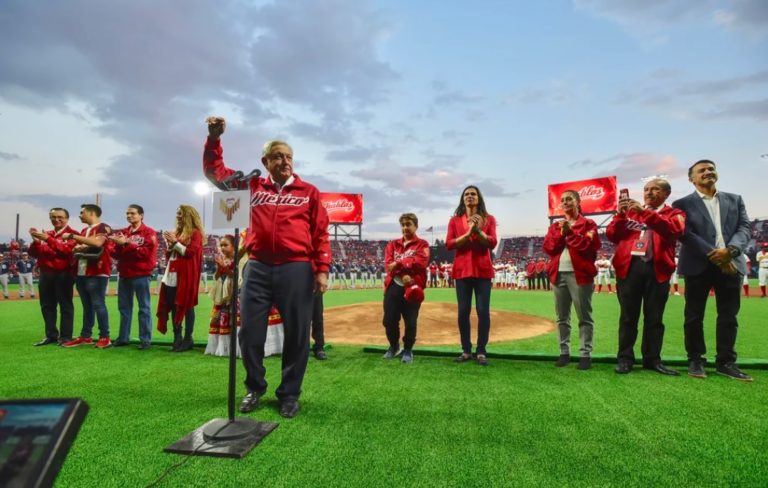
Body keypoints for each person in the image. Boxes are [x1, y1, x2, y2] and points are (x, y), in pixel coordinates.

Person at [203, 116, 330, 418]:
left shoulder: (308, 191)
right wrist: (214, 139)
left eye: (289, 157)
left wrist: (322, 269)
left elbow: (320, 233)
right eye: (278, 156)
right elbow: (214, 172)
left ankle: (289, 394)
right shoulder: (251, 185)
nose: (285, 162)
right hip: (258, 267)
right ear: (265, 161)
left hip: (297, 267)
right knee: (249, 332)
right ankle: (254, 387)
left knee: (298, 334)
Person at [672, 160, 753, 381]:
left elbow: (745, 227)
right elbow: (685, 234)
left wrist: (731, 250)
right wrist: (718, 256)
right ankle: (695, 359)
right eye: (702, 170)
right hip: (699, 265)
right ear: (691, 179)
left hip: (731, 262)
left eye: (711, 168)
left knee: (729, 316)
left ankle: (726, 362)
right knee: (693, 316)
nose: (708, 172)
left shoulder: (735, 199)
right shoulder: (681, 204)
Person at [606, 178, 685, 376]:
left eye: (655, 189)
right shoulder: (629, 213)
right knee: (628, 317)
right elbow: (612, 235)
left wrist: (645, 213)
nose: (649, 192)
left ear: (666, 194)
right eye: (646, 189)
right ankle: (625, 359)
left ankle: (652, 360)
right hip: (629, 268)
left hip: (657, 269)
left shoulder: (675, 213)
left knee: (654, 318)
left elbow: (673, 231)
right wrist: (620, 215)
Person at [543, 190, 601, 370]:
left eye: (569, 199)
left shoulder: (589, 224)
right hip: (558, 274)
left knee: (584, 316)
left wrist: (570, 234)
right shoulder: (555, 226)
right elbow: (549, 248)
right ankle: (564, 352)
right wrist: (562, 233)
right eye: (562, 200)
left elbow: (589, 248)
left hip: (580, 275)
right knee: (562, 317)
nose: (565, 202)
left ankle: (585, 354)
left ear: (578, 202)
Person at [446, 186, 497, 366]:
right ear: (463, 199)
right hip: (462, 271)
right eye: (466, 194)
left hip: (482, 270)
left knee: (483, 311)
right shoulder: (455, 220)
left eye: (473, 194)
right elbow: (449, 244)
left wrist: (478, 231)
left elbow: (492, 242)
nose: (469, 196)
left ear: (479, 198)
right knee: (463, 311)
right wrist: (469, 233)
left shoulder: (489, 219)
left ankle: (481, 351)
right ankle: (466, 350)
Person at [61, 204, 114, 349]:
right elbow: (86, 246)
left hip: (97, 272)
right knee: (87, 306)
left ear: (91, 213)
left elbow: (97, 242)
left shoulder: (103, 227)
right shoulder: (85, 230)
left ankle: (105, 337)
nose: (80, 215)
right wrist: (78, 247)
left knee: (98, 304)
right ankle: (86, 336)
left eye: (82, 212)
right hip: (82, 271)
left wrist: (72, 236)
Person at [109, 204, 158, 350]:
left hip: (141, 275)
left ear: (141, 215)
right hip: (124, 274)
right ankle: (123, 338)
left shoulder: (149, 232)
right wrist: (116, 245)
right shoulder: (123, 232)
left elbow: (146, 254)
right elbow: (116, 254)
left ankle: (145, 340)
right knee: (124, 308)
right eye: (127, 213)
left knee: (144, 308)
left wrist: (126, 244)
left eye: (132, 213)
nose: (129, 216)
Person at [382, 213, 429, 363]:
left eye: (408, 224)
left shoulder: (422, 244)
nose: (405, 227)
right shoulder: (392, 244)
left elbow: (421, 263)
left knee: (411, 321)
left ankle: (408, 349)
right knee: (389, 320)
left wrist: (399, 263)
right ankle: (394, 346)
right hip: (393, 286)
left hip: (413, 286)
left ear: (416, 226)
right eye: (402, 225)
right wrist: (404, 272)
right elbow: (388, 265)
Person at [156, 205, 204, 352]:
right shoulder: (177, 232)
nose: (177, 216)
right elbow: (170, 255)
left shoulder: (195, 233)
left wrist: (175, 242)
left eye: (180, 213)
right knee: (172, 306)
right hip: (171, 275)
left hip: (186, 276)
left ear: (188, 215)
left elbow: (190, 253)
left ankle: (188, 339)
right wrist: (170, 245)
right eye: (177, 213)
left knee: (187, 307)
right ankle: (177, 338)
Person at [29, 208, 78, 346]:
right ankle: (51, 335)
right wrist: (36, 242)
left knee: (65, 306)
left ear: (67, 218)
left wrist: (48, 240)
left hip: (64, 274)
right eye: (53, 217)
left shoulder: (73, 234)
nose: (56, 219)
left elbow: (67, 251)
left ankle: (66, 336)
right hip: (46, 274)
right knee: (46, 306)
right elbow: (35, 254)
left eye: (60, 217)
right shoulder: (47, 234)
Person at [206, 235, 240, 357]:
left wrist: (223, 267)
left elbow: (234, 275)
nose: (223, 248)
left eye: (226, 245)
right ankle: (222, 347)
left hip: (232, 293)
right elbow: (216, 276)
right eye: (221, 245)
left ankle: (234, 347)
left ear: (233, 246)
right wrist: (219, 267)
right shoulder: (222, 259)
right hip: (221, 294)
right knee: (220, 318)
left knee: (233, 319)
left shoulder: (237, 259)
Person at [310, 292, 328, 360]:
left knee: (318, 318)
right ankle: (301, 347)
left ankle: (319, 347)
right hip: (299, 290)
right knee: (300, 319)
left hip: (315, 289)